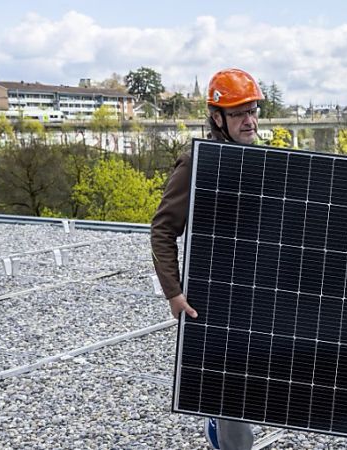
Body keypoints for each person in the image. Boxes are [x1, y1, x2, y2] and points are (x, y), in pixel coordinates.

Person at [151, 68, 263, 450]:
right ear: (217, 118)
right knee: (233, 403)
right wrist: (174, 292)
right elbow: (163, 230)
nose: (249, 120)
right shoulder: (193, 165)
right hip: (214, 296)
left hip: (257, 292)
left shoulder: (262, 161)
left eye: (252, 111)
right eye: (237, 113)